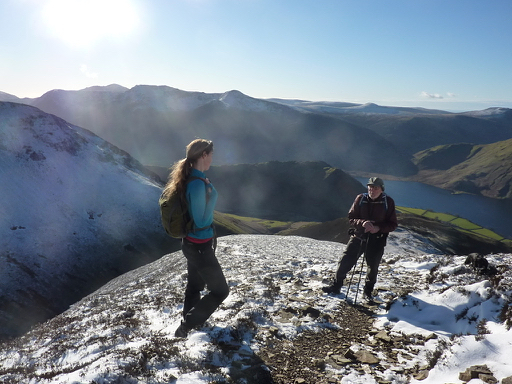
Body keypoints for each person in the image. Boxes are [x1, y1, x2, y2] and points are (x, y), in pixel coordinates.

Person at [162, 139, 229, 338]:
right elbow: (200, 221)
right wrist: (213, 195)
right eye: (211, 155)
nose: (212, 159)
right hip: (200, 246)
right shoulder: (198, 184)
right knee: (220, 291)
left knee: (195, 285)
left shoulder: (190, 177)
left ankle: (187, 322)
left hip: (190, 244)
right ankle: (188, 325)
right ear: (204, 156)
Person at [322, 177, 397, 300]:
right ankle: (336, 286)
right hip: (359, 236)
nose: (372, 190)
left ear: (381, 189)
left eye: (375, 188)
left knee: (372, 268)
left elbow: (392, 224)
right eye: (370, 188)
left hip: (377, 240)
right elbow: (351, 217)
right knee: (345, 262)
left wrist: (378, 228)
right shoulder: (360, 199)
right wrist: (362, 223)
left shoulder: (388, 202)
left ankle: (367, 292)